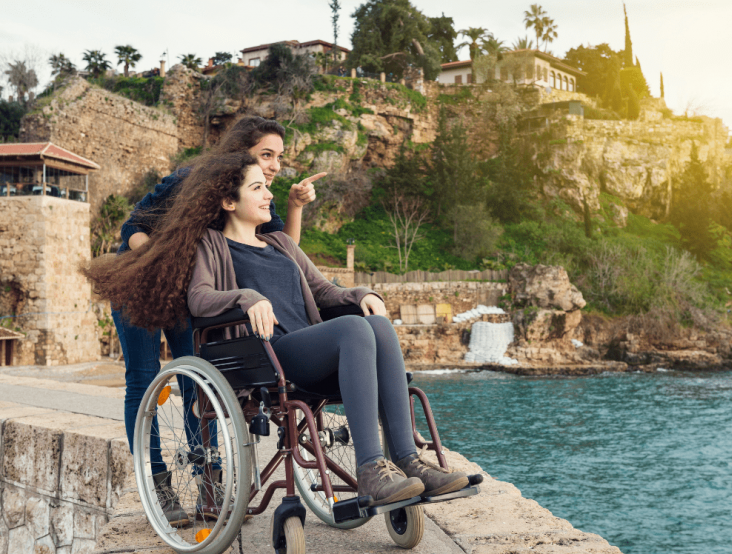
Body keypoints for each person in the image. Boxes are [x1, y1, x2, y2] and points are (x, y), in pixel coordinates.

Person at [85, 141, 468, 509]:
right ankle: (370, 468)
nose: (269, 194)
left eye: (267, 187)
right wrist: (246, 297)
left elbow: (324, 290)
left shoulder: (282, 244)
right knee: (353, 329)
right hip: (271, 355)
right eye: (258, 188)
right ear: (229, 201)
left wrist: (363, 294)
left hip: (311, 349)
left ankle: (408, 459)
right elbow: (198, 299)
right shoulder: (212, 245)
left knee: (377, 326)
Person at [111, 116, 323, 524]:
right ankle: (159, 485)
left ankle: (211, 483)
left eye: (279, 157)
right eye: (266, 154)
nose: (275, 165)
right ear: (240, 150)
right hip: (141, 279)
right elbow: (133, 226)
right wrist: (156, 263)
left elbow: (282, 252)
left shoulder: (254, 192)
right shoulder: (190, 178)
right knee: (142, 377)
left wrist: (294, 205)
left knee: (200, 379)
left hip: (191, 290)